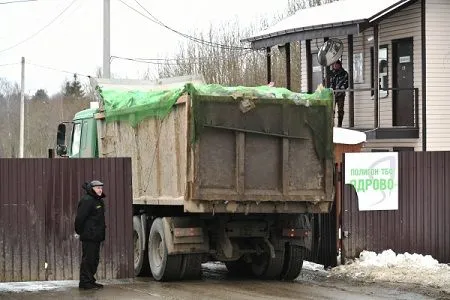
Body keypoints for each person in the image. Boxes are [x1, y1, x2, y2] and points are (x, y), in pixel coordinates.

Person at [74, 180, 106, 290]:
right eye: (97, 188)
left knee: (94, 259)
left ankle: (90, 280)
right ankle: (85, 282)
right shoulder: (87, 200)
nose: (100, 189)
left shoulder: (98, 201)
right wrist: (79, 231)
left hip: (96, 236)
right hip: (89, 236)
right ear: (91, 189)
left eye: (101, 188)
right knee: (88, 259)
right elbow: (80, 218)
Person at [328, 59, 349, 127]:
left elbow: (347, 83)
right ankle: (331, 125)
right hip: (332, 94)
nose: (335, 66)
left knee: (340, 110)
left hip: (340, 94)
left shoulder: (344, 73)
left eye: (336, 64)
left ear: (339, 65)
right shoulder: (330, 73)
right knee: (331, 110)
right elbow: (327, 82)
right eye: (333, 65)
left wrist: (342, 87)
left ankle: (340, 124)